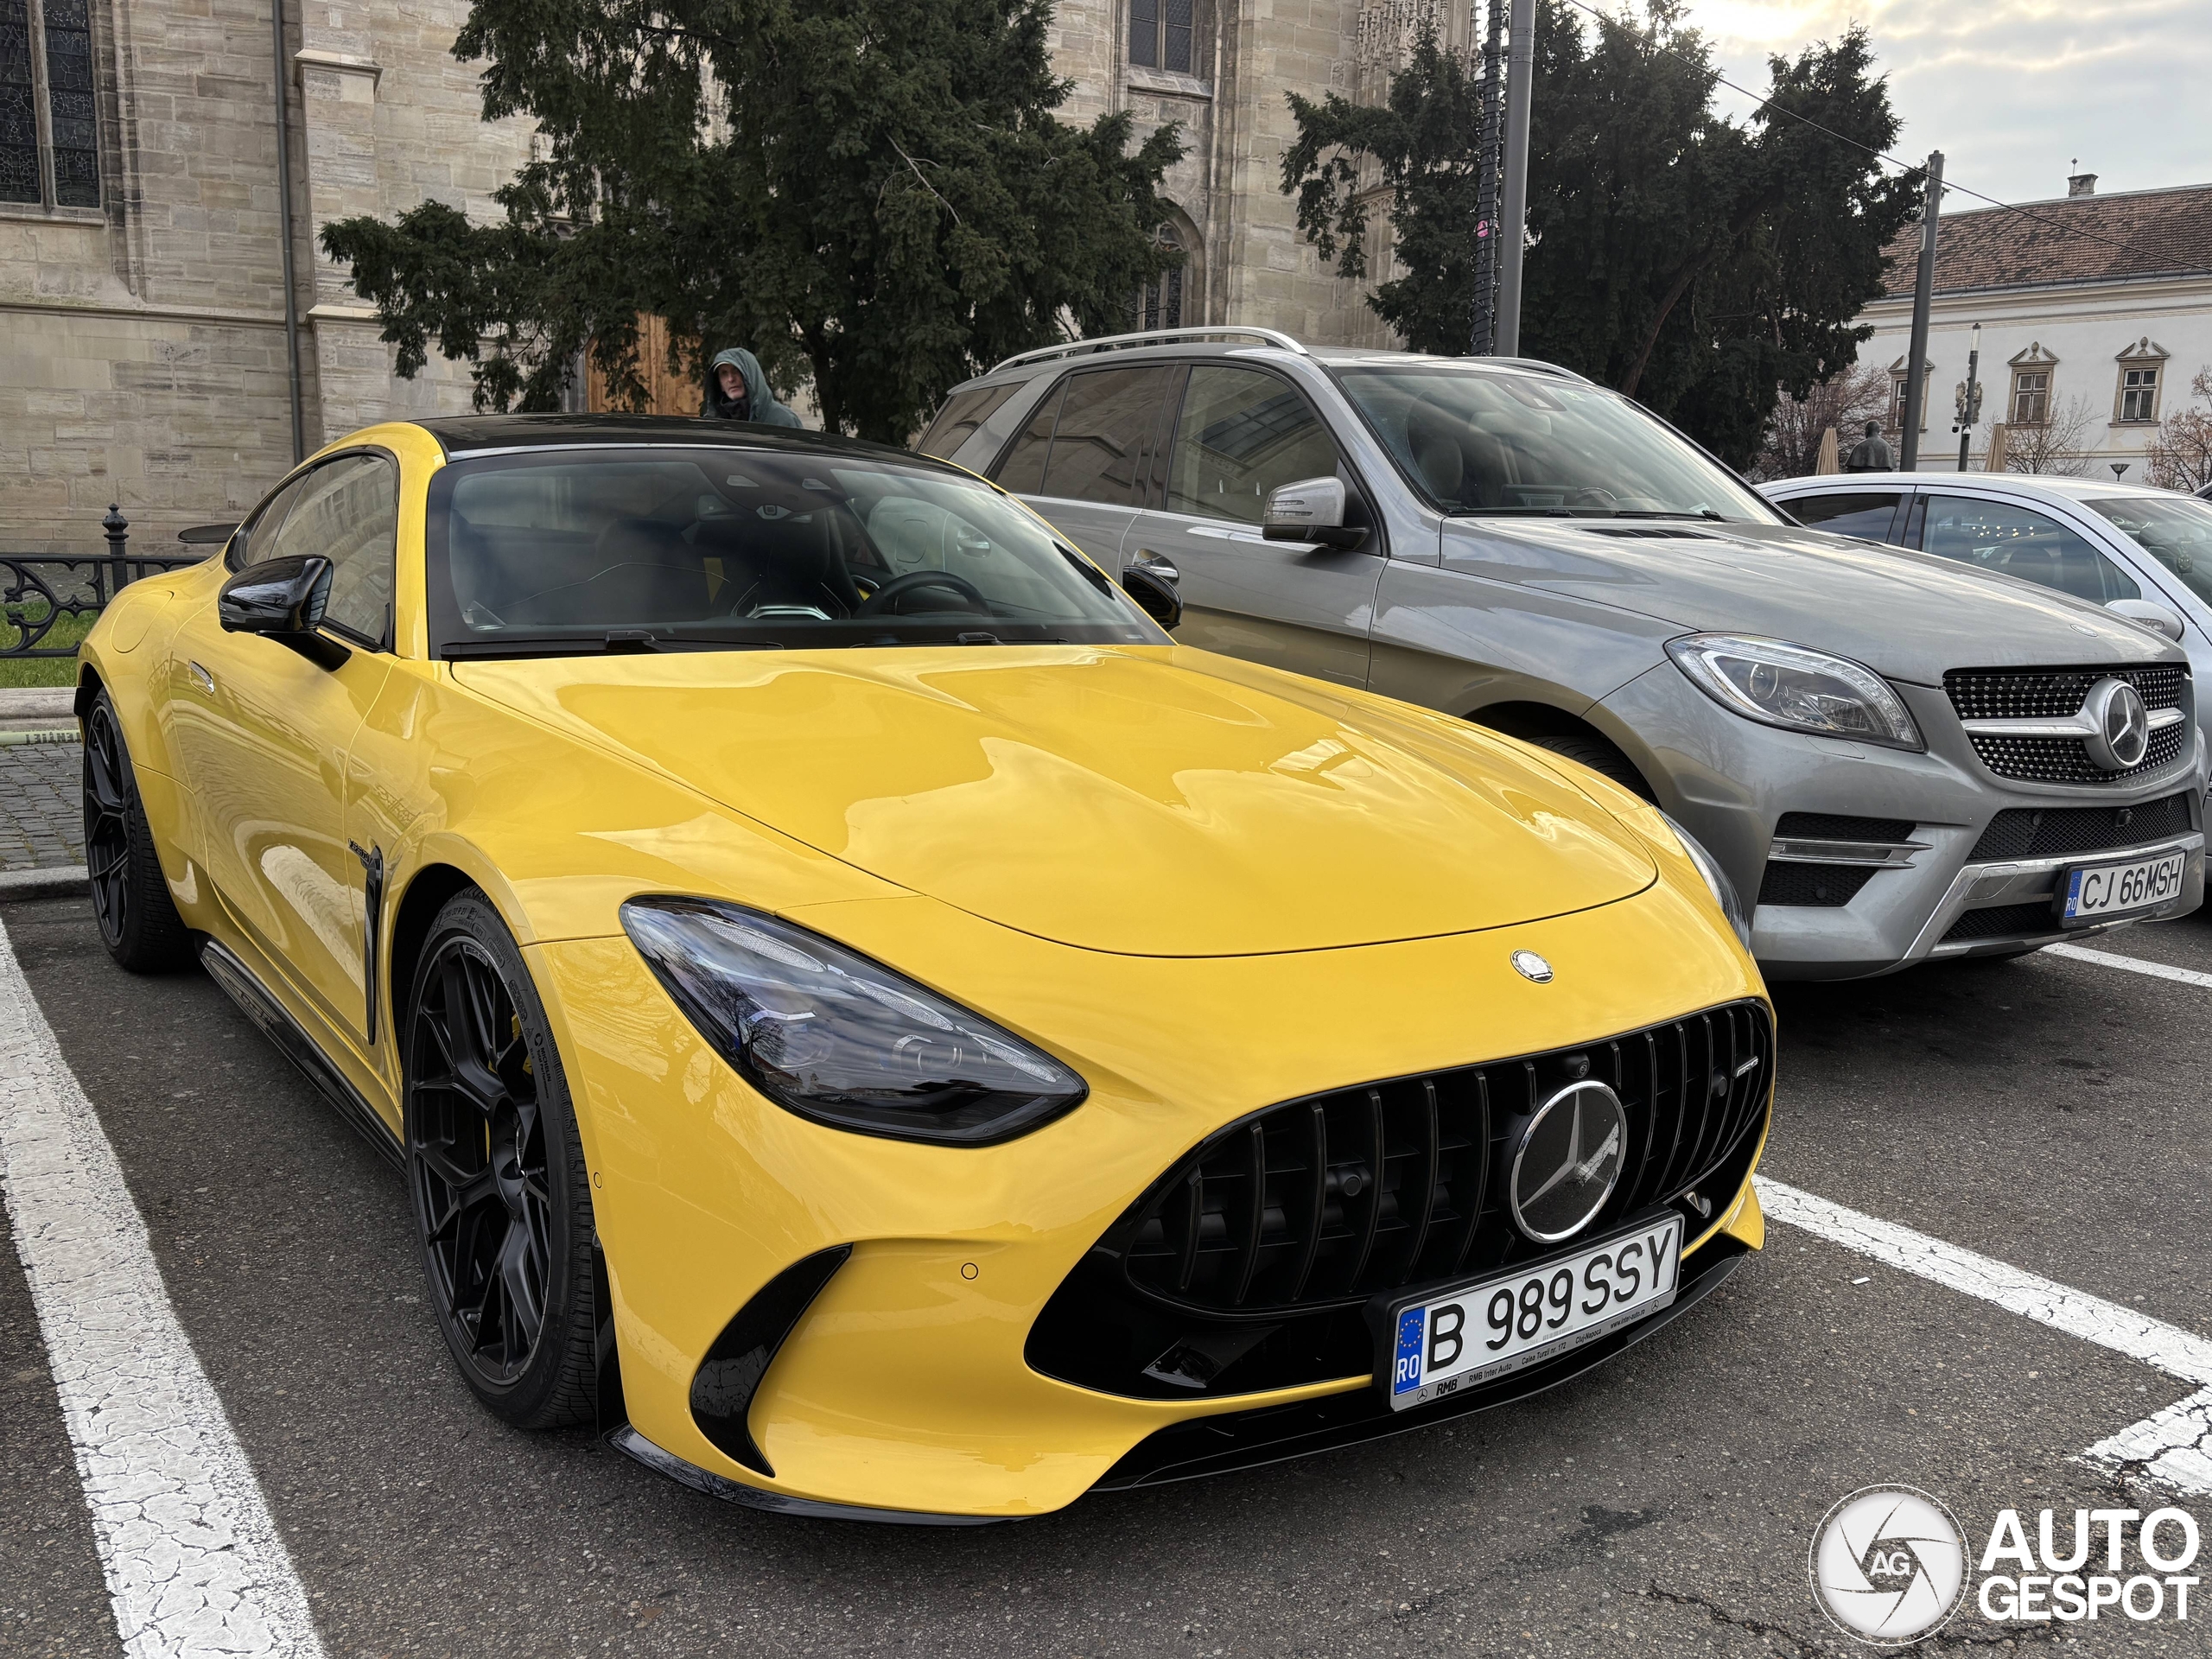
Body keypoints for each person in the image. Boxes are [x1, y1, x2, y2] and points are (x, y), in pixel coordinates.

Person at [702, 346, 802, 427]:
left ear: (750, 375)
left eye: (736, 371)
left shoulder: (783, 420)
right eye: (724, 373)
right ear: (720, 384)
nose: (731, 379)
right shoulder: (715, 424)